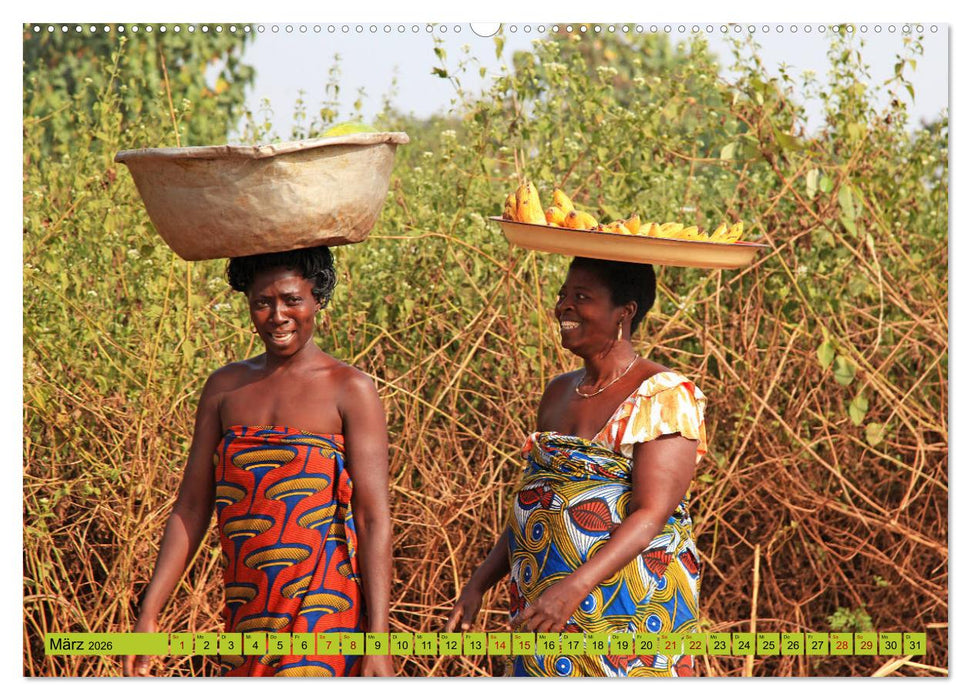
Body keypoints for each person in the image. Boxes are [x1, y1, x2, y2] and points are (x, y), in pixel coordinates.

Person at [123, 245, 393, 677]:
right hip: (247, 609)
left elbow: (372, 516)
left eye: (292, 300)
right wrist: (149, 612)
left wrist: (379, 640)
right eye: (262, 303)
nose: (278, 316)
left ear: (318, 298)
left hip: (324, 609)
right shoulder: (224, 389)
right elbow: (191, 507)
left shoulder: (349, 389)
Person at [446, 256, 707, 677]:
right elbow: (537, 499)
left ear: (625, 312)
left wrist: (573, 589)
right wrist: (479, 582)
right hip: (543, 592)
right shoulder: (558, 392)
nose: (564, 306)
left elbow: (651, 514)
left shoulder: (663, 395)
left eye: (581, 297)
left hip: (628, 604)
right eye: (562, 295)